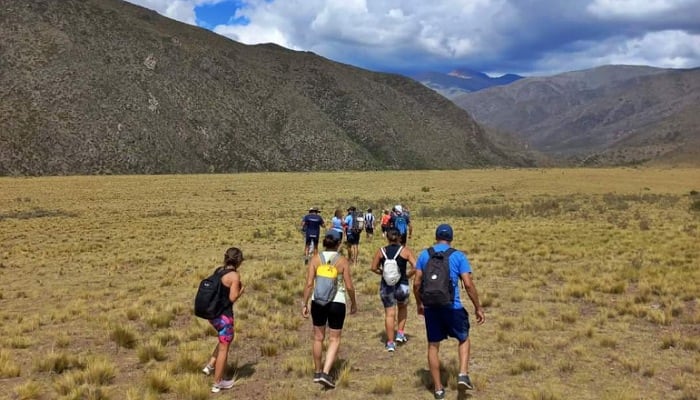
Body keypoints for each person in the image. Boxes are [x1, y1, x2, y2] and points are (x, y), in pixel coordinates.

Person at [412, 224, 485, 400]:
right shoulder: (458, 256)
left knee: (433, 345)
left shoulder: (424, 255)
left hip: (431, 308)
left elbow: (416, 283)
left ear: (436, 237)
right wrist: (478, 307)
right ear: (451, 238)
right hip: (453, 307)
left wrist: (419, 303)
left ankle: (438, 389)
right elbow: (467, 284)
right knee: (463, 338)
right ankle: (462, 374)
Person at [301, 230, 358, 389]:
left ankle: (318, 371)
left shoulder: (315, 259)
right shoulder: (342, 261)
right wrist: (353, 302)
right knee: (335, 339)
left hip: (317, 302)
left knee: (318, 338)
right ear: (339, 244)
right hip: (337, 303)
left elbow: (309, 284)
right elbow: (349, 286)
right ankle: (326, 373)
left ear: (324, 243)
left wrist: (304, 303)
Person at [202, 247, 245, 393]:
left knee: (223, 340)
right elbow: (232, 298)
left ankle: (210, 366)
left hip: (212, 314)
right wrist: (240, 291)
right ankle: (217, 383)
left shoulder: (219, 270)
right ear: (239, 261)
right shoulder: (234, 276)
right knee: (224, 347)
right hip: (224, 316)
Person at [370, 228, 417, 352]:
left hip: (386, 286)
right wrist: (408, 275)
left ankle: (390, 343)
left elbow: (373, 267)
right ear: (400, 238)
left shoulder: (381, 251)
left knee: (389, 314)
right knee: (402, 308)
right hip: (402, 285)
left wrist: (383, 273)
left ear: (387, 237)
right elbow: (416, 266)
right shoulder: (405, 251)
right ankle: (400, 333)